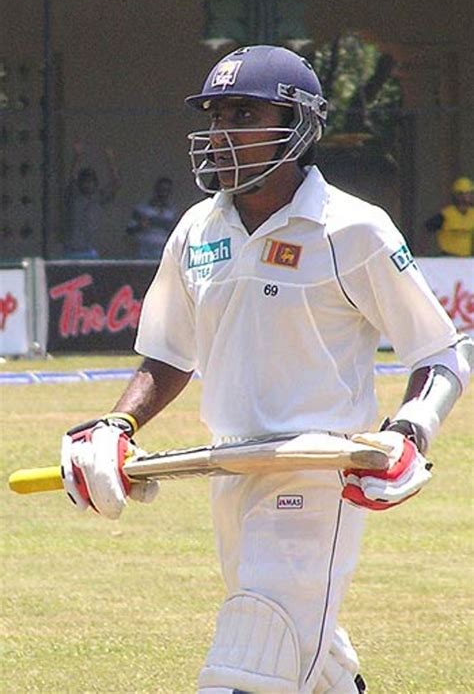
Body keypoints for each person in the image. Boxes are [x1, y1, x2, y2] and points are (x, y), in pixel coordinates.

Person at [60, 46, 472, 693]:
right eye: (214, 114)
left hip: (316, 475)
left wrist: (412, 431)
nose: (220, 132)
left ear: (301, 123)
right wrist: (118, 423)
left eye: (243, 112)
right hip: (230, 474)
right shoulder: (197, 230)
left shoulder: (353, 230)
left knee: (252, 658)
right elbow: (170, 351)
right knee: (309, 659)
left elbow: (441, 352)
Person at [64, 140, 121, 259]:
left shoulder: (98, 198)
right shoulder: (73, 197)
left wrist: (110, 160)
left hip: (90, 251)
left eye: (91, 181)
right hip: (71, 251)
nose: (88, 184)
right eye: (85, 181)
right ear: (80, 183)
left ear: (95, 184)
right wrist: (77, 156)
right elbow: (71, 178)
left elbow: (116, 185)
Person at [126, 176, 177, 259]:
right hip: (144, 254)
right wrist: (141, 225)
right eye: (161, 190)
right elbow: (130, 230)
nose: (164, 193)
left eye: (167, 191)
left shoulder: (172, 212)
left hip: (163, 255)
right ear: (156, 190)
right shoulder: (142, 209)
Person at [425, 176, 474, 256]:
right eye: (468, 193)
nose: (471, 196)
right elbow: (427, 230)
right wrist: (422, 252)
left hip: (466, 258)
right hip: (448, 258)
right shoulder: (446, 214)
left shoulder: (472, 214)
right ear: (458, 195)